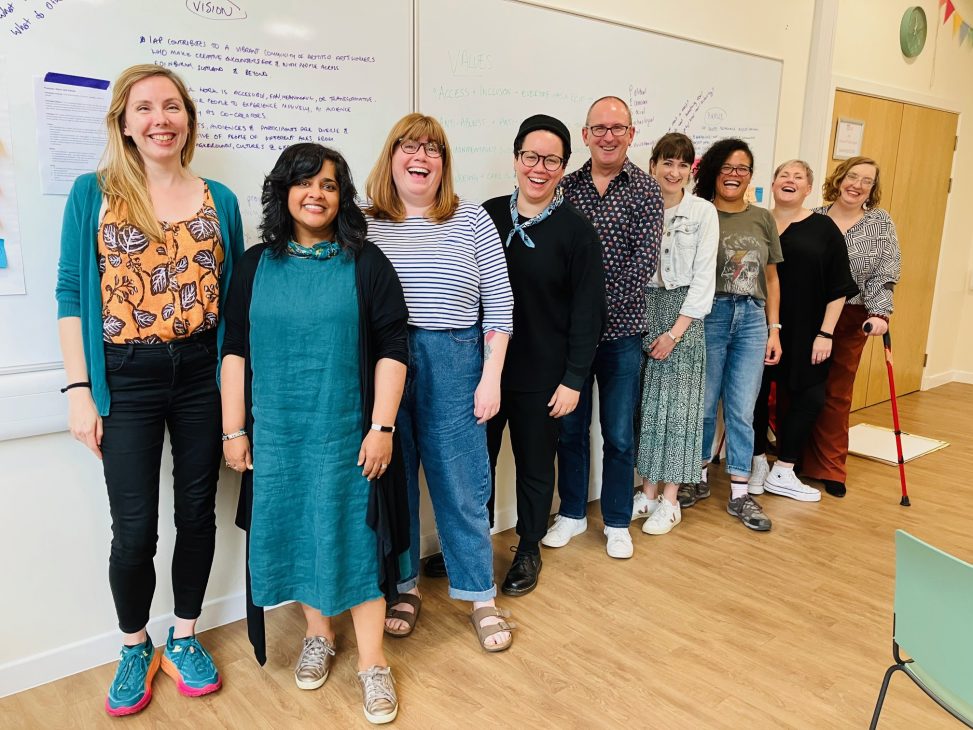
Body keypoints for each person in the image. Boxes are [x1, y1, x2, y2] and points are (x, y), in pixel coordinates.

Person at [55, 65, 244, 716]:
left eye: (171, 106)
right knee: (134, 530)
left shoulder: (220, 200)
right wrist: (80, 391)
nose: (160, 119)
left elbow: (234, 305)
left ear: (187, 118)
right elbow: (71, 293)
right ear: (124, 122)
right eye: (144, 108)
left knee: (197, 514)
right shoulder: (94, 193)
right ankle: (135, 644)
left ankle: (184, 634)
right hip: (125, 376)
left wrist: (235, 401)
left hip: (201, 373)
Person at [221, 143, 408, 724]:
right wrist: (233, 429)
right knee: (300, 534)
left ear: (341, 196)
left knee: (356, 540)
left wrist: (382, 427)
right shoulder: (254, 265)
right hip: (279, 439)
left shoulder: (366, 263)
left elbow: (393, 349)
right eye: (304, 183)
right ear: (283, 191)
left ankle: (373, 663)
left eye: (328, 184)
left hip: (347, 437)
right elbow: (234, 350)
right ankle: (318, 635)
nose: (316, 194)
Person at [364, 114, 515, 651]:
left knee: (462, 485)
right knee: (395, 482)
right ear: (392, 157)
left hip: (455, 359)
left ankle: (480, 595)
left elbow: (500, 305)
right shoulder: (364, 223)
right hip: (385, 362)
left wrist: (490, 378)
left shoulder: (472, 220)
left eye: (432, 149)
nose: (420, 157)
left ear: (444, 163)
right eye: (409, 146)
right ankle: (404, 587)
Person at [482, 114, 605, 594]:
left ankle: (528, 548)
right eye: (531, 156)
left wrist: (574, 379)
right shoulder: (486, 216)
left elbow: (588, 314)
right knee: (477, 467)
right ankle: (471, 545)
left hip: (544, 377)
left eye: (551, 160)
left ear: (563, 167)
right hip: (485, 373)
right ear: (516, 159)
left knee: (535, 469)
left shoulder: (577, 232)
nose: (539, 167)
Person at [543, 95, 664, 559]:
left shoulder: (646, 190)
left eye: (617, 128)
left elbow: (642, 264)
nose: (608, 136)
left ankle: (616, 521)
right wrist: (575, 319)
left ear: (631, 134)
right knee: (569, 430)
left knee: (618, 434)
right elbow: (557, 258)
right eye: (599, 128)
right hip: (570, 340)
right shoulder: (565, 188)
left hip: (621, 335)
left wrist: (589, 313)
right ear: (585, 134)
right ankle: (572, 513)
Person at [749, 160, 858, 501]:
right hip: (756, 326)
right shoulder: (756, 221)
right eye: (784, 175)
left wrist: (826, 334)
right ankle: (757, 463)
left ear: (808, 189)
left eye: (798, 177)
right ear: (773, 183)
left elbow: (839, 287)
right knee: (752, 398)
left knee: (810, 397)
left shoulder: (824, 228)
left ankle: (784, 468)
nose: (790, 180)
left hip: (807, 330)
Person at [693, 138, 782, 531]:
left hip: (751, 320)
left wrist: (774, 329)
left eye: (742, 168)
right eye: (727, 167)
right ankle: (695, 478)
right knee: (703, 403)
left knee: (742, 409)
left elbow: (771, 279)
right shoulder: (700, 213)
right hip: (709, 315)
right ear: (714, 170)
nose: (734, 174)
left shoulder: (762, 218)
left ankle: (740, 494)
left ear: (750, 176)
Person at [633, 133, 718, 535]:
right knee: (650, 407)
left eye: (683, 164)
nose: (674, 171)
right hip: (646, 308)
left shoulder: (702, 212)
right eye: (667, 162)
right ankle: (647, 492)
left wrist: (675, 332)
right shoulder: (641, 206)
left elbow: (704, 279)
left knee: (680, 409)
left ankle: (670, 500)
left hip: (683, 315)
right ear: (653, 165)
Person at [802, 156, 901, 497]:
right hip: (808, 315)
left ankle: (829, 466)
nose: (857, 185)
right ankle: (791, 458)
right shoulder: (813, 217)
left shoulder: (879, 223)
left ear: (873, 189)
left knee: (836, 393)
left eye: (866, 181)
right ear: (840, 178)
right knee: (799, 389)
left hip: (851, 317)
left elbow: (885, 273)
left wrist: (880, 313)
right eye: (852, 176)